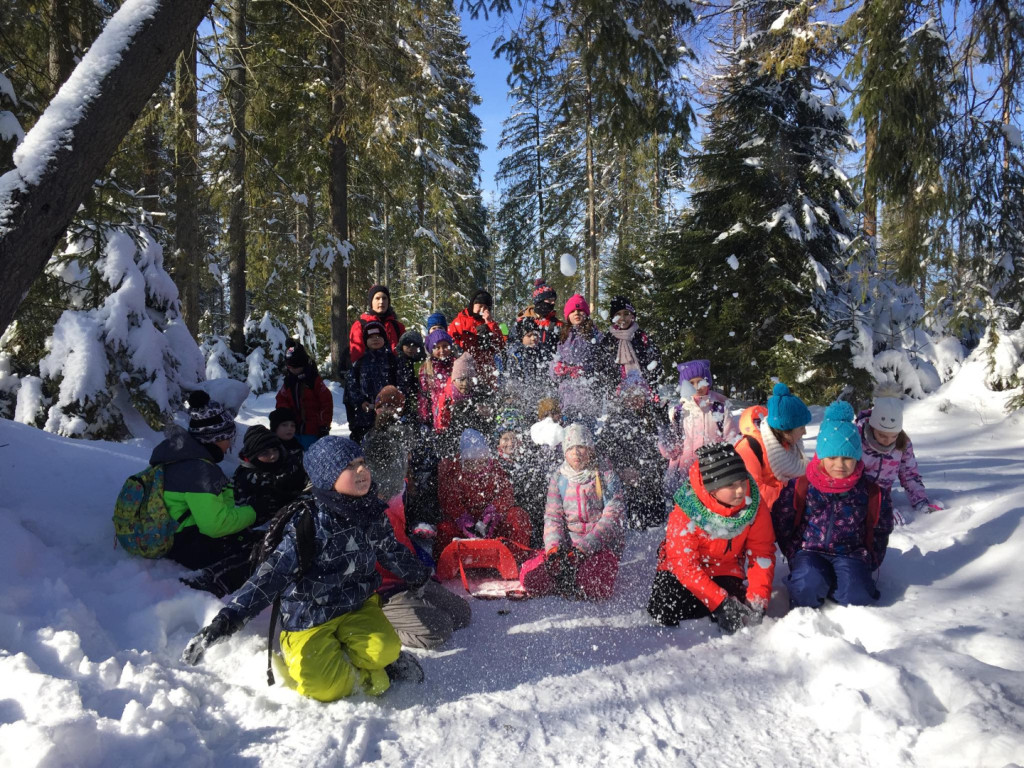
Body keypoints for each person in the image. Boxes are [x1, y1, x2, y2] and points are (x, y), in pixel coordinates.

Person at [181, 437, 430, 701]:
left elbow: (390, 550)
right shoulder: (308, 522)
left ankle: (382, 662)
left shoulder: (370, 512)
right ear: (326, 477)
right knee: (322, 686)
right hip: (309, 615)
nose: (361, 471)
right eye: (348, 466)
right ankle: (374, 676)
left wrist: (418, 574)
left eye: (362, 463)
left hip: (357, 604)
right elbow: (271, 576)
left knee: (386, 650)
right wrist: (226, 621)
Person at [771, 401, 895, 609]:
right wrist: (793, 551)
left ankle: (836, 582)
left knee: (857, 596)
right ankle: (817, 581)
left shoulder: (869, 491)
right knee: (805, 590)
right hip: (809, 551)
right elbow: (782, 519)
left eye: (847, 458)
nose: (839, 464)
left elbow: (881, 528)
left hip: (850, 552)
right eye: (832, 457)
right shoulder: (803, 486)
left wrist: (870, 559)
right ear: (821, 456)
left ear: (857, 458)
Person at [647, 443, 775, 634]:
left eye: (742, 481)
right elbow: (683, 565)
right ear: (712, 489)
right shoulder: (687, 508)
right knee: (664, 608)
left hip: (725, 567)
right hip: (680, 570)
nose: (740, 490)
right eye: (730, 485)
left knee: (741, 607)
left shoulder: (753, 504)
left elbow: (762, 551)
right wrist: (719, 603)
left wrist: (758, 598)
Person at [152, 391, 257, 596]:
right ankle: (213, 584)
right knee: (259, 548)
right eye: (228, 437)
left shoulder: (181, 457)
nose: (230, 445)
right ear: (214, 439)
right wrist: (253, 512)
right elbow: (215, 526)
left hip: (172, 532)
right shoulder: (199, 470)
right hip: (182, 542)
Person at [519, 423, 625, 600]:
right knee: (530, 577)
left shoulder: (605, 476)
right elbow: (553, 518)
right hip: (568, 549)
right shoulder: (559, 478)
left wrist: (583, 549)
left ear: (590, 449)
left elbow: (612, 519)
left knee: (594, 582)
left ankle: (574, 578)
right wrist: (554, 550)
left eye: (581, 447)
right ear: (564, 452)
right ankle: (564, 575)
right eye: (571, 448)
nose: (576, 453)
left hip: (599, 547)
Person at [435, 429, 532, 558]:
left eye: (480, 461)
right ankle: (447, 561)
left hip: (493, 526)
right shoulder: (454, 472)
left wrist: (494, 511)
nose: (476, 466)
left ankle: (516, 557)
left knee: (518, 516)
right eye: (471, 462)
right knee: (444, 528)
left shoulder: (495, 469)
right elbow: (448, 498)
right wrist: (462, 518)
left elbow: (506, 493)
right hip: (463, 529)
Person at [659, 359, 739, 506]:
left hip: (713, 472)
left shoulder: (719, 409)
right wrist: (666, 441)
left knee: (711, 510)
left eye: (700, 381)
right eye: (692, 383)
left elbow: (732, 440)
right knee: (686, 516)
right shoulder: (679, 412)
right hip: (684, 475)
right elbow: (672, 450)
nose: (697, 387)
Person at [857, 390, 941, 523]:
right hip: (856, 498)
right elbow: (847, 477)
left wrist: (921, 502)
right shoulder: (856, 438)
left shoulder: (903, 443)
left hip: (883, 496)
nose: (888, 441)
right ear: (872, 428)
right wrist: (875, 506)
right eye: (882, 435)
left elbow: (909, 474)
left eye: (893, 436)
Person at [598, 371, 668, 530]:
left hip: (652, 479)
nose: (635, 399)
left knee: (655, 518)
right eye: (630, 395)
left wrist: (658, 466)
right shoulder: (616, 418)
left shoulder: (653, 415)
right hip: (628, 480)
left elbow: (663, 446)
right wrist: (622, 468)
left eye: (639, 395)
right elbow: (607, 447)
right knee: (634, 516)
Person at [735, 382, 811, 511]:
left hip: (787, 514)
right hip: (766, 516)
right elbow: (751, 492)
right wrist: (793, 496)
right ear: (785, 429)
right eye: (801, 428)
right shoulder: (749, 449)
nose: (805, 432)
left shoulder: (789, 443)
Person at [233, 425, 308, 525]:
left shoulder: (290, 464)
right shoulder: (246, 478)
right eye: (265, 453)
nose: (272, 456)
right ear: (253, 455)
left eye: (275, 450)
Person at [552, 294, 606, 428]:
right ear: (567, 315)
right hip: (567, 398)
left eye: (580, 310)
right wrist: (556, 368)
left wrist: (585, 370)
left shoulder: (596, 335)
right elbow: (555, 360)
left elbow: (603, 362)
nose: (576, 313)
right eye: (573, 311)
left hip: (588, 396)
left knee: (587, 435)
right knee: (569, 436)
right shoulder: (563, 336)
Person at [343, 320, 397, 443]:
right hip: (365, 416)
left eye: (378, 336)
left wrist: (393, 402)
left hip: (388, 414)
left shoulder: (393, 361)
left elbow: (400, 384)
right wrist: (361, 402)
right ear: (365, 340)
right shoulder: (360, 362)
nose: (375, 339)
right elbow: (352, 386)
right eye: (371, 337)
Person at [599, 295, 662, 395]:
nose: (623, 318)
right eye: (618, 314)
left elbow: (655, 363)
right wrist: (615, 385)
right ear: (613, 318)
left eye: (626, 313)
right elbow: (602, 368)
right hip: (617, 396)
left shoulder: (642, 337)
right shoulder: (608, 341)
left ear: (632, 316)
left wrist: (645, 383)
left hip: (644, 393)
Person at [275, 340, 333, 448]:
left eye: (295, 367)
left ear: (302, 365)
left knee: (311, 454)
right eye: (289, 367)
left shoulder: (313, 380)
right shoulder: (289, 381)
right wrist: (284, 413)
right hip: (292, 429)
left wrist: (324, 425)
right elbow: (281, 398)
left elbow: (326, 402)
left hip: (312, 430)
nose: (292, 370)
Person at [448, 289, 505, 386]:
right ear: (473, 304)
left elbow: (500, 345)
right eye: (480, 306)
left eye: (486, 307)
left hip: (486, 370)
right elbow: (450, 339)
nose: (482, 310)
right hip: (465, 370)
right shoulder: (460, 321)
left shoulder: (490, 323)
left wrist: (490, 323)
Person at [348, 284, 405, 364]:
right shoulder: (360, 325)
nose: (381, 302)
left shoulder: (398, 326)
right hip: (369, 372)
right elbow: (356, 355)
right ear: (371, 302)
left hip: (394, 373)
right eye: (377, 298)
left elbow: (405, 353)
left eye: (384, 298)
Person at [510, 279, 563, 363]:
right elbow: (511, 345)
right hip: (526, 368)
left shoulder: (556, 324)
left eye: (554, 300)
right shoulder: (522, 322)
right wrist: (523, 349)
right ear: (539, 300)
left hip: (549, 369)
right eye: (549, 300)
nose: (552, 303)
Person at [419, 329, 455, 428]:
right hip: (436, 417)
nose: (442, 351)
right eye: (437, 347)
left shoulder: (457, 364)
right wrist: (425, 418)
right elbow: (424, 396)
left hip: (455, 414)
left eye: (445, 346)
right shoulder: (426, 368)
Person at [396, 329, 426, 420]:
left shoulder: (422, 362)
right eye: (407, 346)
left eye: (414, 346)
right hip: (401, 399)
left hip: (419, 399)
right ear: (401, 346)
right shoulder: (397, 362)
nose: (410, 349)